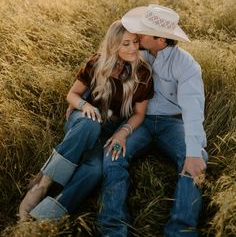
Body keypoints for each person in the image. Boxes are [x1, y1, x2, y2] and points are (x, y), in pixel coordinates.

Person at [18, 20, 153, 222]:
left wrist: (122, 132)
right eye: (126, 43)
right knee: (90, 123)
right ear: (113, 44)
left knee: (95, 170)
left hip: (107, 132)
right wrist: (85, 106)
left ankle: (48, 216)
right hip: (81, 121)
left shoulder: (143, 72)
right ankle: (44, 183)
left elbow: (139, 114)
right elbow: (72, 95)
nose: (133, 48)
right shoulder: (97, 62)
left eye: (135, 42)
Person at [98, 4, 207, 237]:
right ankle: (113, 228)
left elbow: (193, 110)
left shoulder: (186, 65)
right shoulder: (137, 53)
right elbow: (105, 61)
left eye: (143, 32)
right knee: (113, 153)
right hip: (140, 121)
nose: (137, 35)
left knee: (198, 160)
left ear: (161, 39)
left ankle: (181, 230)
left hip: (173, 124)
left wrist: (194, 151)